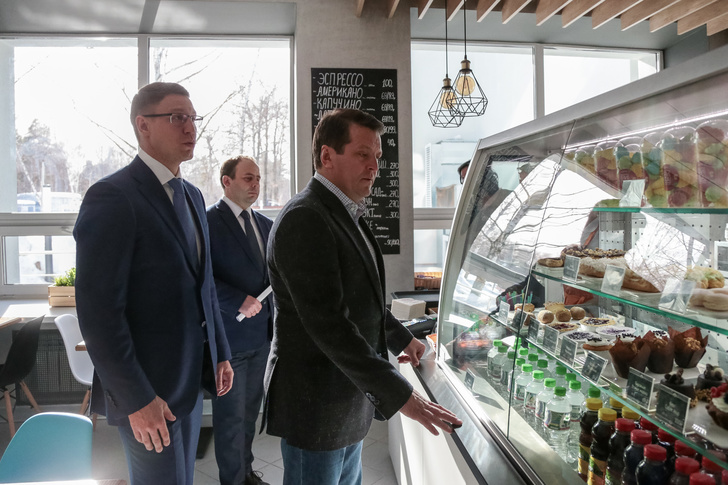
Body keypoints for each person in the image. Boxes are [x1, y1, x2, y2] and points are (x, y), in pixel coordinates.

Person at [263, 108, 461, 485]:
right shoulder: (305, 217)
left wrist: (403, 338)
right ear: (327, 156)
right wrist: (402, 396)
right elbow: (330, 325)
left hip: (348, 400)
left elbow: (361, 301)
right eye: (362, 154)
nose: (374, 166)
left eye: (377, 156)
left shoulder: (344, 212)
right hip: (316, 407)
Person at [73, 82, 234, 485]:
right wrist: (137, 399)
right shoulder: (113, 196)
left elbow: (204, 286)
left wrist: (220, 352)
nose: (190, 128)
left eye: (193, 118)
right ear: (143, 125)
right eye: (177, 118)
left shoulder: (193, 196)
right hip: (147, 393)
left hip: (188, 382)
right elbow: (99, 316)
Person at [206, 156, 273, 485]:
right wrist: (236, 300)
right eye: (248, 178)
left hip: (262, 339)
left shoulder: (265, 225)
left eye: (258, 178)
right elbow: (199, 278)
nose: (255, 185)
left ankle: (246, 474)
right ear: (226, 181)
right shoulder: (207, 222)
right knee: (230, 419)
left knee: (248, 415)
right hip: (228, 341)